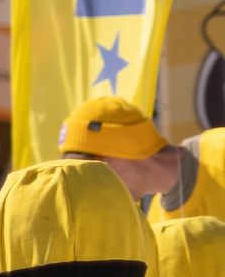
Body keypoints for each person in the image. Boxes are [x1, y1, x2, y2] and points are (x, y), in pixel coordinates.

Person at [58, 95, 224, 223]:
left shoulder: (220, 150)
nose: (94, 192)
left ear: (123, 149)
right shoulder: (156, 225)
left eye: (91, 173)